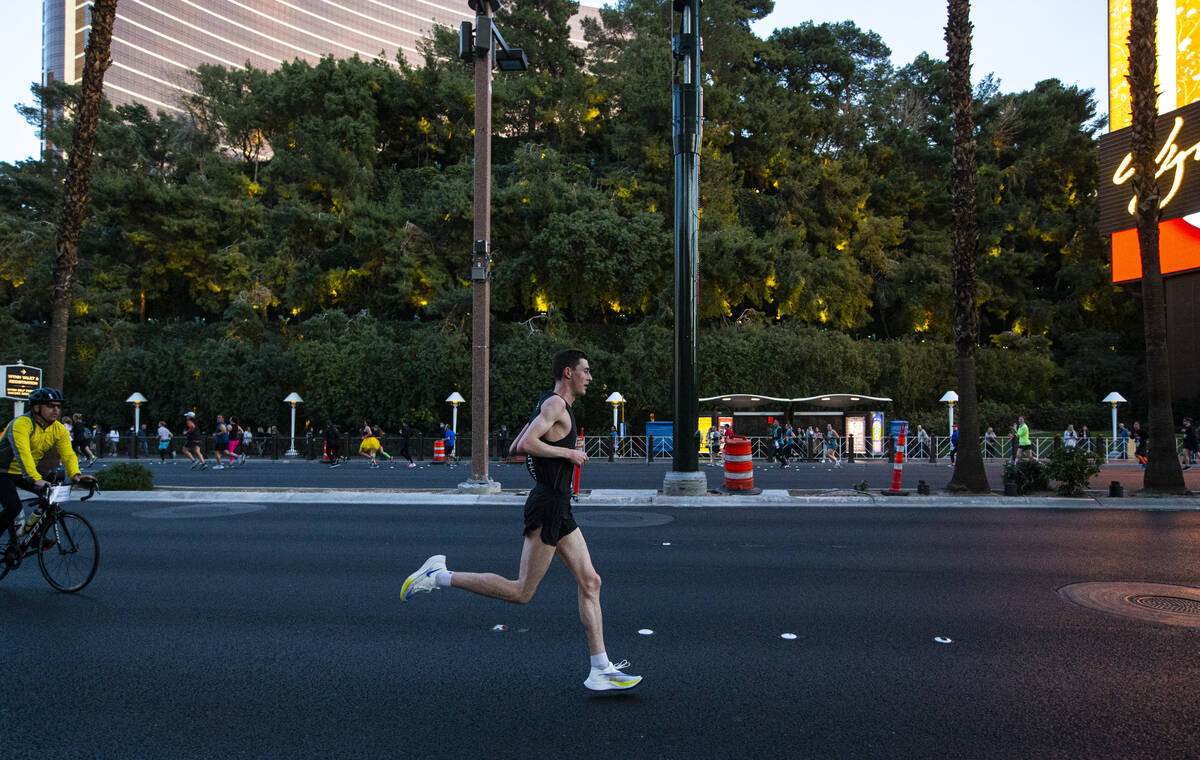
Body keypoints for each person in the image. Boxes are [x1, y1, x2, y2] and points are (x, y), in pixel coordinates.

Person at [400, 348, 641, 692]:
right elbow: (527, 443)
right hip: (547, 505)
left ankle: (601, 668)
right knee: (521, 592)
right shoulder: (556, 404)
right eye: (585, 370)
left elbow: (515, 444)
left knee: (591, 581)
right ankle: (438, 576)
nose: (590, 377)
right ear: (569, 373)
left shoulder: (552, 405)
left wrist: (553, 454)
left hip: (558, 505)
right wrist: (567, 452)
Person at [0, 388, 96, 552]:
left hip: (23, 472)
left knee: (51, 496)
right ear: (37, 407)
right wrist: (36, 479)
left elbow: (68, 454)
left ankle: (35, 537)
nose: (56, 410)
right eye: (51, 406)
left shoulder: (58, 429)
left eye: (58, 406)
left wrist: (76, 475)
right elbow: (23, 455)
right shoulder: (21, 424)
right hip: (2, 471)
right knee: (13, 507)